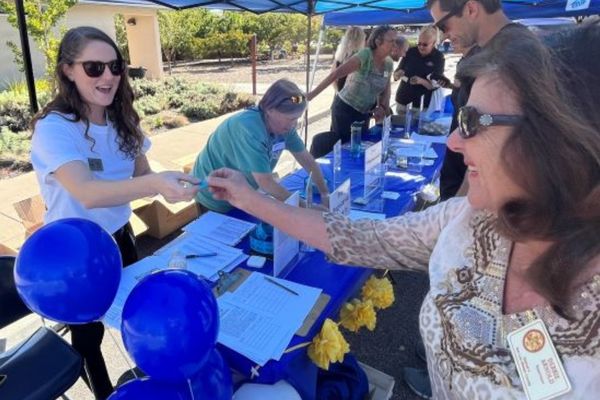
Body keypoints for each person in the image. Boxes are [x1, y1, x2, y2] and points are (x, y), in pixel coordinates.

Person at [206, 24, 600, 398]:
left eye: (472, 121)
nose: (454, 143)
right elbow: (360, 237)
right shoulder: (469, 221)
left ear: (561, 140)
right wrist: (251, 199)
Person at [30, 26, 198, 399]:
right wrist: (155, 186)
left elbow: (143, 174)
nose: (108, 76)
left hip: (121, 235)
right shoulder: (55, 129)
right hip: (77, 253)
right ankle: (105, 393)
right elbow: (87, 193)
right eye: (94, 67)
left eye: (115, 66)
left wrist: (190, 183)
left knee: (130, 317)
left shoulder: (123, 119)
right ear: (68, 71)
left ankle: (145, 381)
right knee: (88, 334)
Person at [426, 0, 534, 201]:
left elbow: (495, 136)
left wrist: (459, 211)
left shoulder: (511, 54)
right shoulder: (496, 50)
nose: (444, 36)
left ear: (471, 8)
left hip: (485, 195)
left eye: (443, 26)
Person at [191, 79, 329, 213]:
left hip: (241, 193)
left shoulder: (285, 128)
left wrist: (324, 193)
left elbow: (308, 161)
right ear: (269, 110)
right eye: (291, 119)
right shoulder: (249, 129)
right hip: (212, 195)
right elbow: (266, 182)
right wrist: (306, 208)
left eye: (297, 118)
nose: (294, 124)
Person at [308, 26, 396, 145]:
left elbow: (386, 90)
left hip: (363, 113)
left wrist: (382, 107)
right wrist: (311, 96)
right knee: (345, 147)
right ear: (378, 41)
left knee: (359, 145)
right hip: (345, 110)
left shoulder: (388, 64)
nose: (395, 45)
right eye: (391, 41)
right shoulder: (365, 55)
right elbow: (335, 75)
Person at [393, 25, 445, 114]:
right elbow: (396, 72)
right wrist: (397, 74)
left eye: (425, 44)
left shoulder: (438, 57)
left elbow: (434, 85)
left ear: (434, 43)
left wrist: (421, 81)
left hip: (422, 105)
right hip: (403, 100)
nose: (421, 47)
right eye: (419, 43)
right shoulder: (410, 52)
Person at [332, 27, 366, 92]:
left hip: (341, 92)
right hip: (352, 95)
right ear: (361, 40)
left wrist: (338, 92)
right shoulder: (360, 57)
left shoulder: (340, 55)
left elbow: (333, 79)